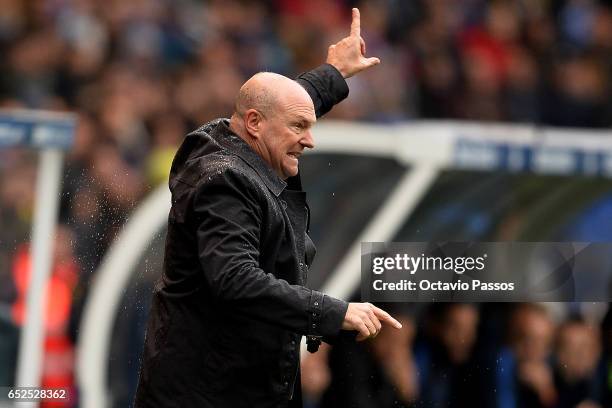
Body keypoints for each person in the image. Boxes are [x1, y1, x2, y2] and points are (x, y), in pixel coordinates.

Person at [134, 8, 402, 408]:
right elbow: (236, 279)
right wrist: (332, 312)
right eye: (300, 128)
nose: (310, 140)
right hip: (204, 396)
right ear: (255, 124)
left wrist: (334, 72)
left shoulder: (249, 139)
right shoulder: (224, 180)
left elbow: (285, 104)